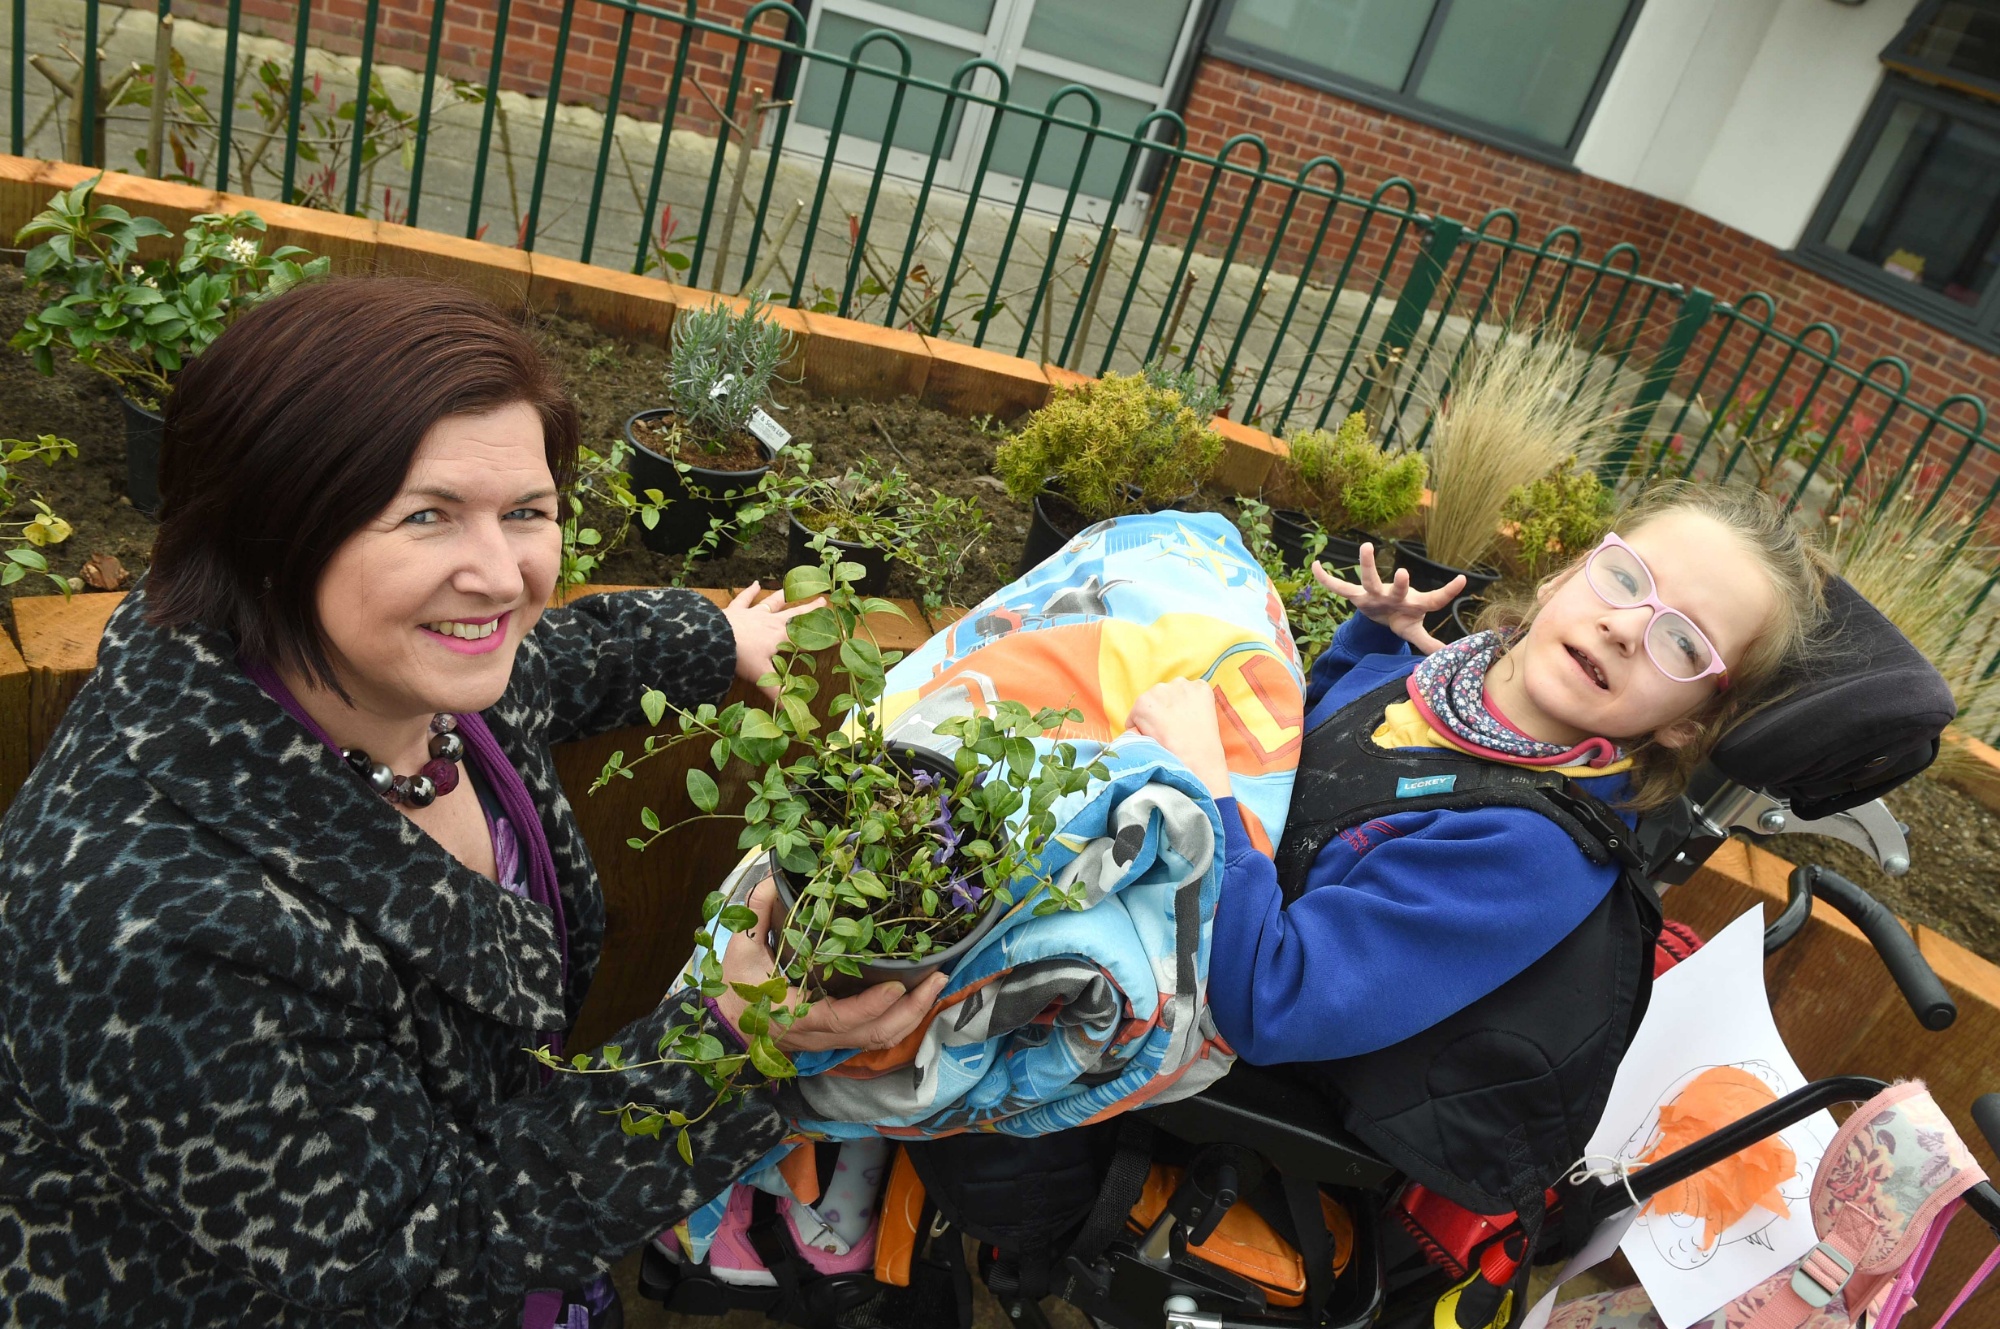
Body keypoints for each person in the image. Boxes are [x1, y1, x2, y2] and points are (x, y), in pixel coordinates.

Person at [0, 277, 944, 1327]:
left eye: (527, 512)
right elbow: (427, 1245)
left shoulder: (379, 680)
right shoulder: (150, 933)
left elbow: (556, 660)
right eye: (425, 517)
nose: (500, 575)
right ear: (268, 533)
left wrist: (715, 638)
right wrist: (732, 1039)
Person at [1127, 481, 1830, 1063]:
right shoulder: (1443, 682)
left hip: (1187, 1050)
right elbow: (1312, 771)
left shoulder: (1529, 854)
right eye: (1625, 578)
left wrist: (1208, 794)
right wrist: (1369, 639)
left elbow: (1272, 1000)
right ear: (1564, 575)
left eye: (1682, 640)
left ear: (1688, 723)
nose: (1625, 626)